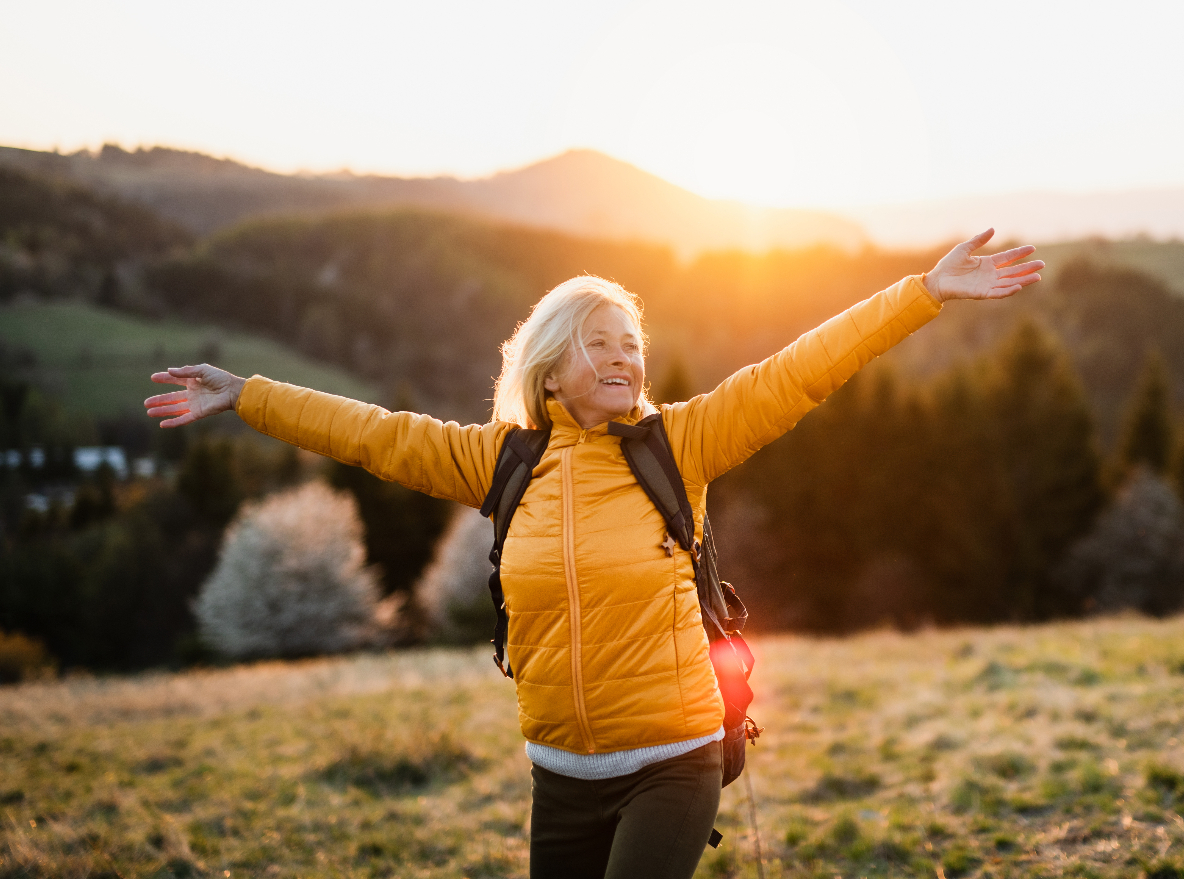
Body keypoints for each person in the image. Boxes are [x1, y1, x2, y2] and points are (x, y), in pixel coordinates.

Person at [145, 228, 1042, 879]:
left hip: (676, 757)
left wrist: (921, 292)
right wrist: (247, 395)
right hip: (560, 772)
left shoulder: (678, 445)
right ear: (548, 366)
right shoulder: (501, 462)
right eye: (599, 342)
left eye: (633, 345)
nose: (624, 358)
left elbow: (801, 369)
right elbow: (372, 434)